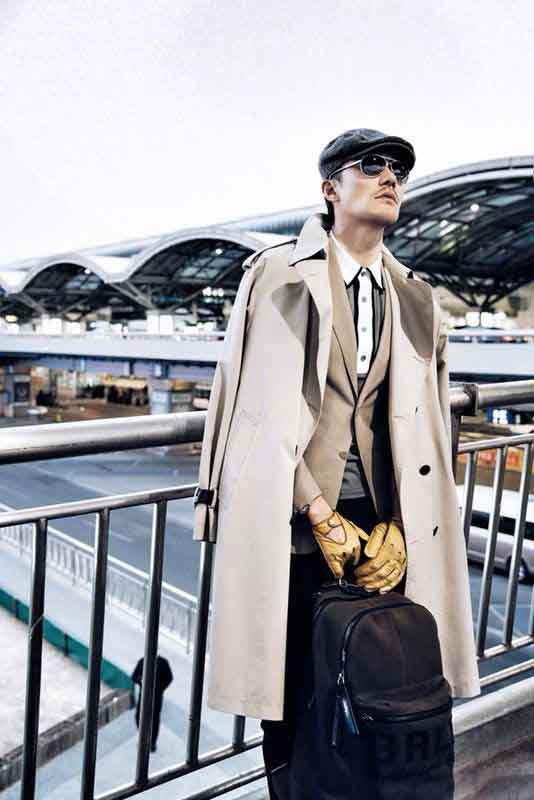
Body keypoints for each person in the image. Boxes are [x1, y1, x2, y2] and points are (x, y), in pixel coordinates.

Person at [193, 128, 480, 798]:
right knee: (293, 690)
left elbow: (426, 429)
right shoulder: (279, 275)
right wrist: (319, 513)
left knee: (375, 684)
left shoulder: (415, 295)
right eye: (371, 165)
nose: (390, 177)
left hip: (380, 530)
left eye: (399, 170)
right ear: (330, 189)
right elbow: (254, 411)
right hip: (291, 520)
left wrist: (400, 529)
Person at [131, 654, 173, 752]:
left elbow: (169, 678)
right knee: (142, 717)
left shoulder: (161, 662)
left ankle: (151, 742)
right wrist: (141, 682)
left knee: (152, 719)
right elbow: (134, 676)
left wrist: (160, 688)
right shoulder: (144, 661)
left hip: (154, 697)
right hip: (146, 696)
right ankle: (145, 739)